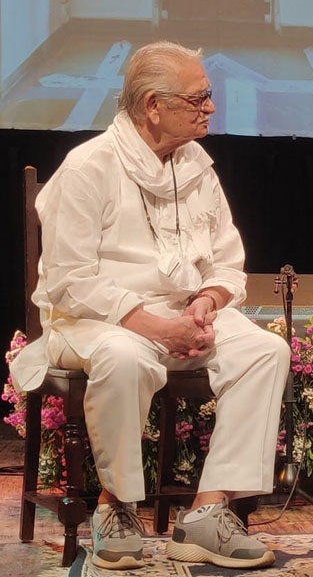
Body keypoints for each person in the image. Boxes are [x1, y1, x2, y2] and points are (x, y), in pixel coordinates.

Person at [10, 41, 291, 570]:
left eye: (209, 96)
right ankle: (116, 506)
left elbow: (229, 262)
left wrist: (208, 301)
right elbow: (70, 282)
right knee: (125, 355)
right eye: (198, 98)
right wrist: (158, 327)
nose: (210, 107)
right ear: (152, 106)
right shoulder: (88, 167)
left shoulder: (198, 167)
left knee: (263, 350)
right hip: (94, 320)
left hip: (182, 315)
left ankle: (209, 512)